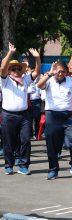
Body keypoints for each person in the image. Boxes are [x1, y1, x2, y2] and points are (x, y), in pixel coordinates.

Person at [36, 61, 72, 180]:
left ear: (66, 72)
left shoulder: (71, 81)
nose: (60, 73)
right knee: (51, 143)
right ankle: (53, 169)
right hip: (52, 115)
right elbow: (39, 85)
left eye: (63, 71)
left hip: (68, 116)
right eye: (58, 71)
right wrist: (50, 73)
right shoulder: (49, 80)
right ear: (54, 70)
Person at [1, 43, 41, 175]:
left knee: (25, 139)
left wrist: (37, 58)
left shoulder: (25, 79)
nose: (17, 71)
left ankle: (23, 164)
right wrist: (10, 53)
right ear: (9, 71)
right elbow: (2, 68)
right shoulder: (5, 80)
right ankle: (9, 164)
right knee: (9, 141)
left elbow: (37, 72)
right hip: (8, 115)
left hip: (24, 115)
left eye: (18, 69)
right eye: (13, 69)